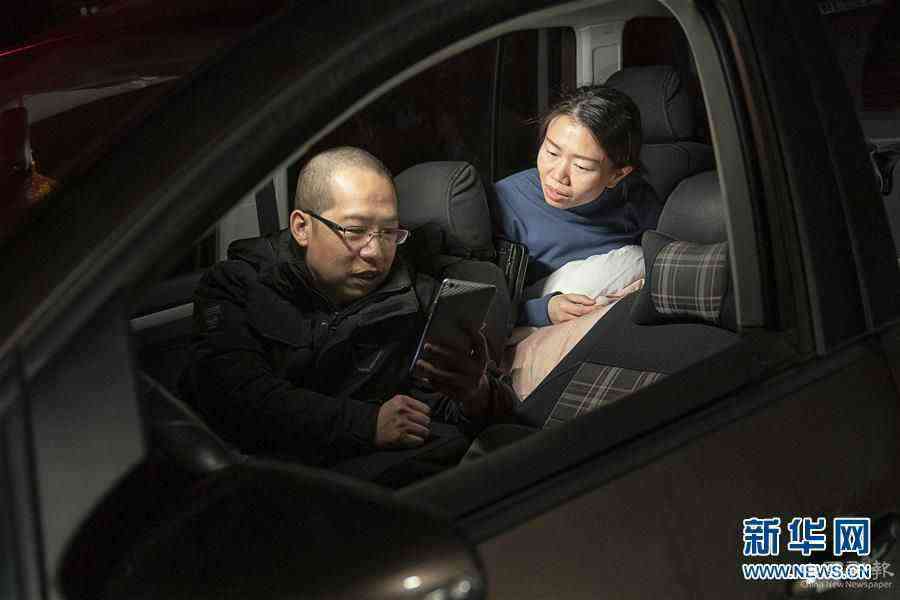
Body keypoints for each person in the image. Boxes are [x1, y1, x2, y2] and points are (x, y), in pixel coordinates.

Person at [186, 146, 515, 479]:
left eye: (389, 232)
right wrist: (367, 424)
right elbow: (235, 398)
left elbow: (434, 408)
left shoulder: (419, 300)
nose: (375, 252)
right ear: (301, 227)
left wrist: (477, 394)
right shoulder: (236, 285)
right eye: (355, 231)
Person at [493, 85, 662, 326]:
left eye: (581, 167)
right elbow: (482, 310)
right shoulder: (505, 202)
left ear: (617, 175)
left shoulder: (637, 200)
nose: (558, 176)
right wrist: (544, 310)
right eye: (552, 152)